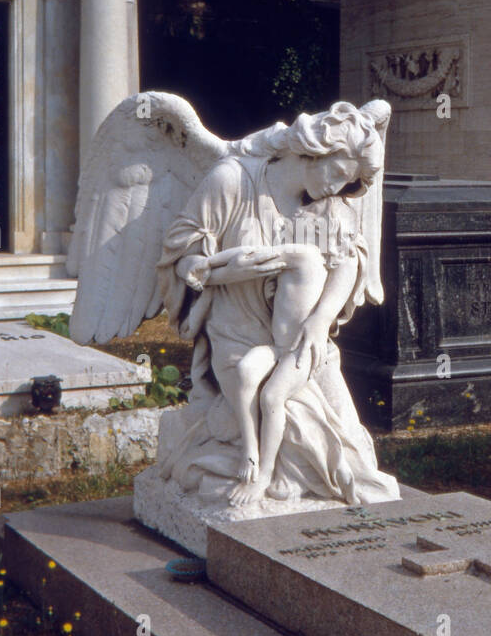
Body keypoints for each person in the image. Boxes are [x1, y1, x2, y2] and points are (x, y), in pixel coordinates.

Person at [154, 102, 399, 509]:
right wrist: (220, 271)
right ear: (315, 149)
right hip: (238, 330)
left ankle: (280, 473)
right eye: (339, 173)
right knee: (280, 418)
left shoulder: (326, 206)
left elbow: (349, 261)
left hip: (301, 335)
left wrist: (320, 322)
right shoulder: (232, 180)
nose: (339, 188)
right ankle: (257, 467)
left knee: (352, 460)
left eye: (348, 182)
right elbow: (180, 258)